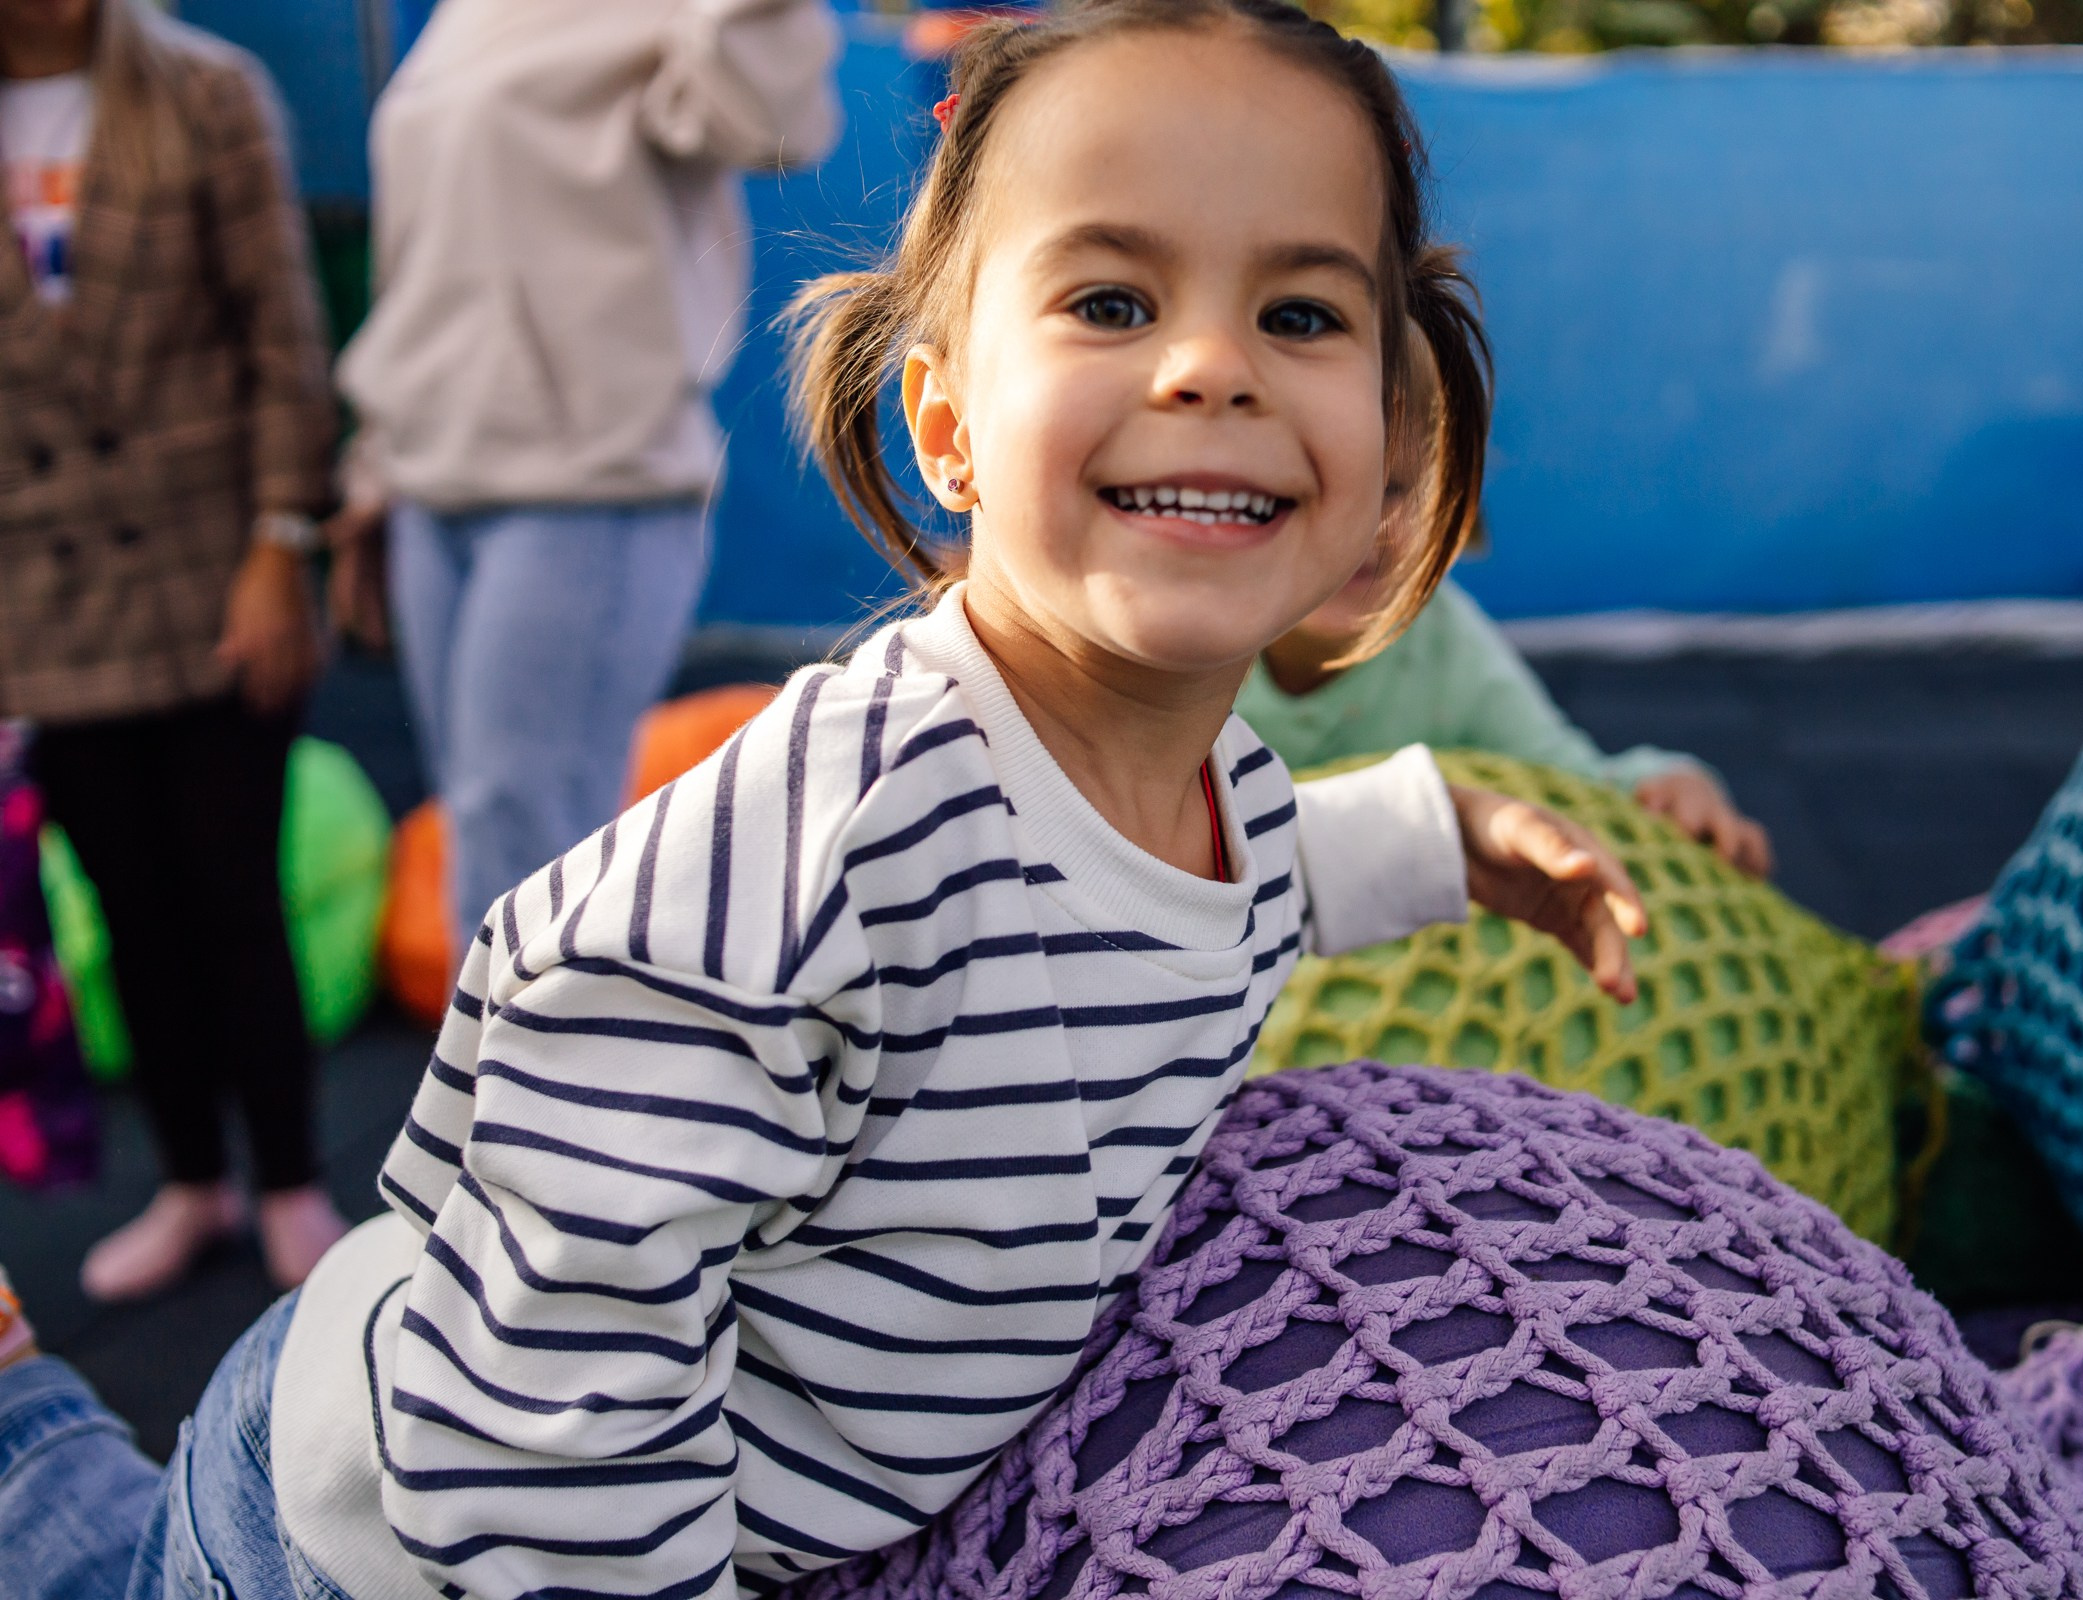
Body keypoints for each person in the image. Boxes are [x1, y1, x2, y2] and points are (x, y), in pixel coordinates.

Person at [0, 4, 1653, 1594]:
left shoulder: (1196, 777)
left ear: (1387, 433)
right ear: (945, 425)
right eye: (1109, 303)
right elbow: (562, 1328)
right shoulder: (843, 836)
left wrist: (1452, 839)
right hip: (392, 1531)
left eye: (1300, 316)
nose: (1211, 365)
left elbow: (1232, 870)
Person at [326, 0, 845, 959]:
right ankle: (500, 1089)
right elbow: (420, 269)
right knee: (486, 840)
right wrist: (374, 463)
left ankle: (527, 1100)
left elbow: (780, 124)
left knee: (519, 839)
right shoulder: (462, 20)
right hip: (429, 482)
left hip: (591, 484)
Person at [0, 0, 346, 1300]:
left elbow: (282, 336)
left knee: (235, 897)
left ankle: (295, 1180)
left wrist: (278, 544)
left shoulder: (207, 92)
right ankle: (193, 1179)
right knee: (128, 915)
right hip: (36, 593)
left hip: (209, 566)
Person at [1239, 331, 1775, 876]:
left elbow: (1567, 779)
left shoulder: (1446, 645)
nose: (1364, 527)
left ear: (1449, 498)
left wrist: (1666, 784)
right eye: (1315, 486)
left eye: (1396, 489)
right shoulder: (1197, 642)